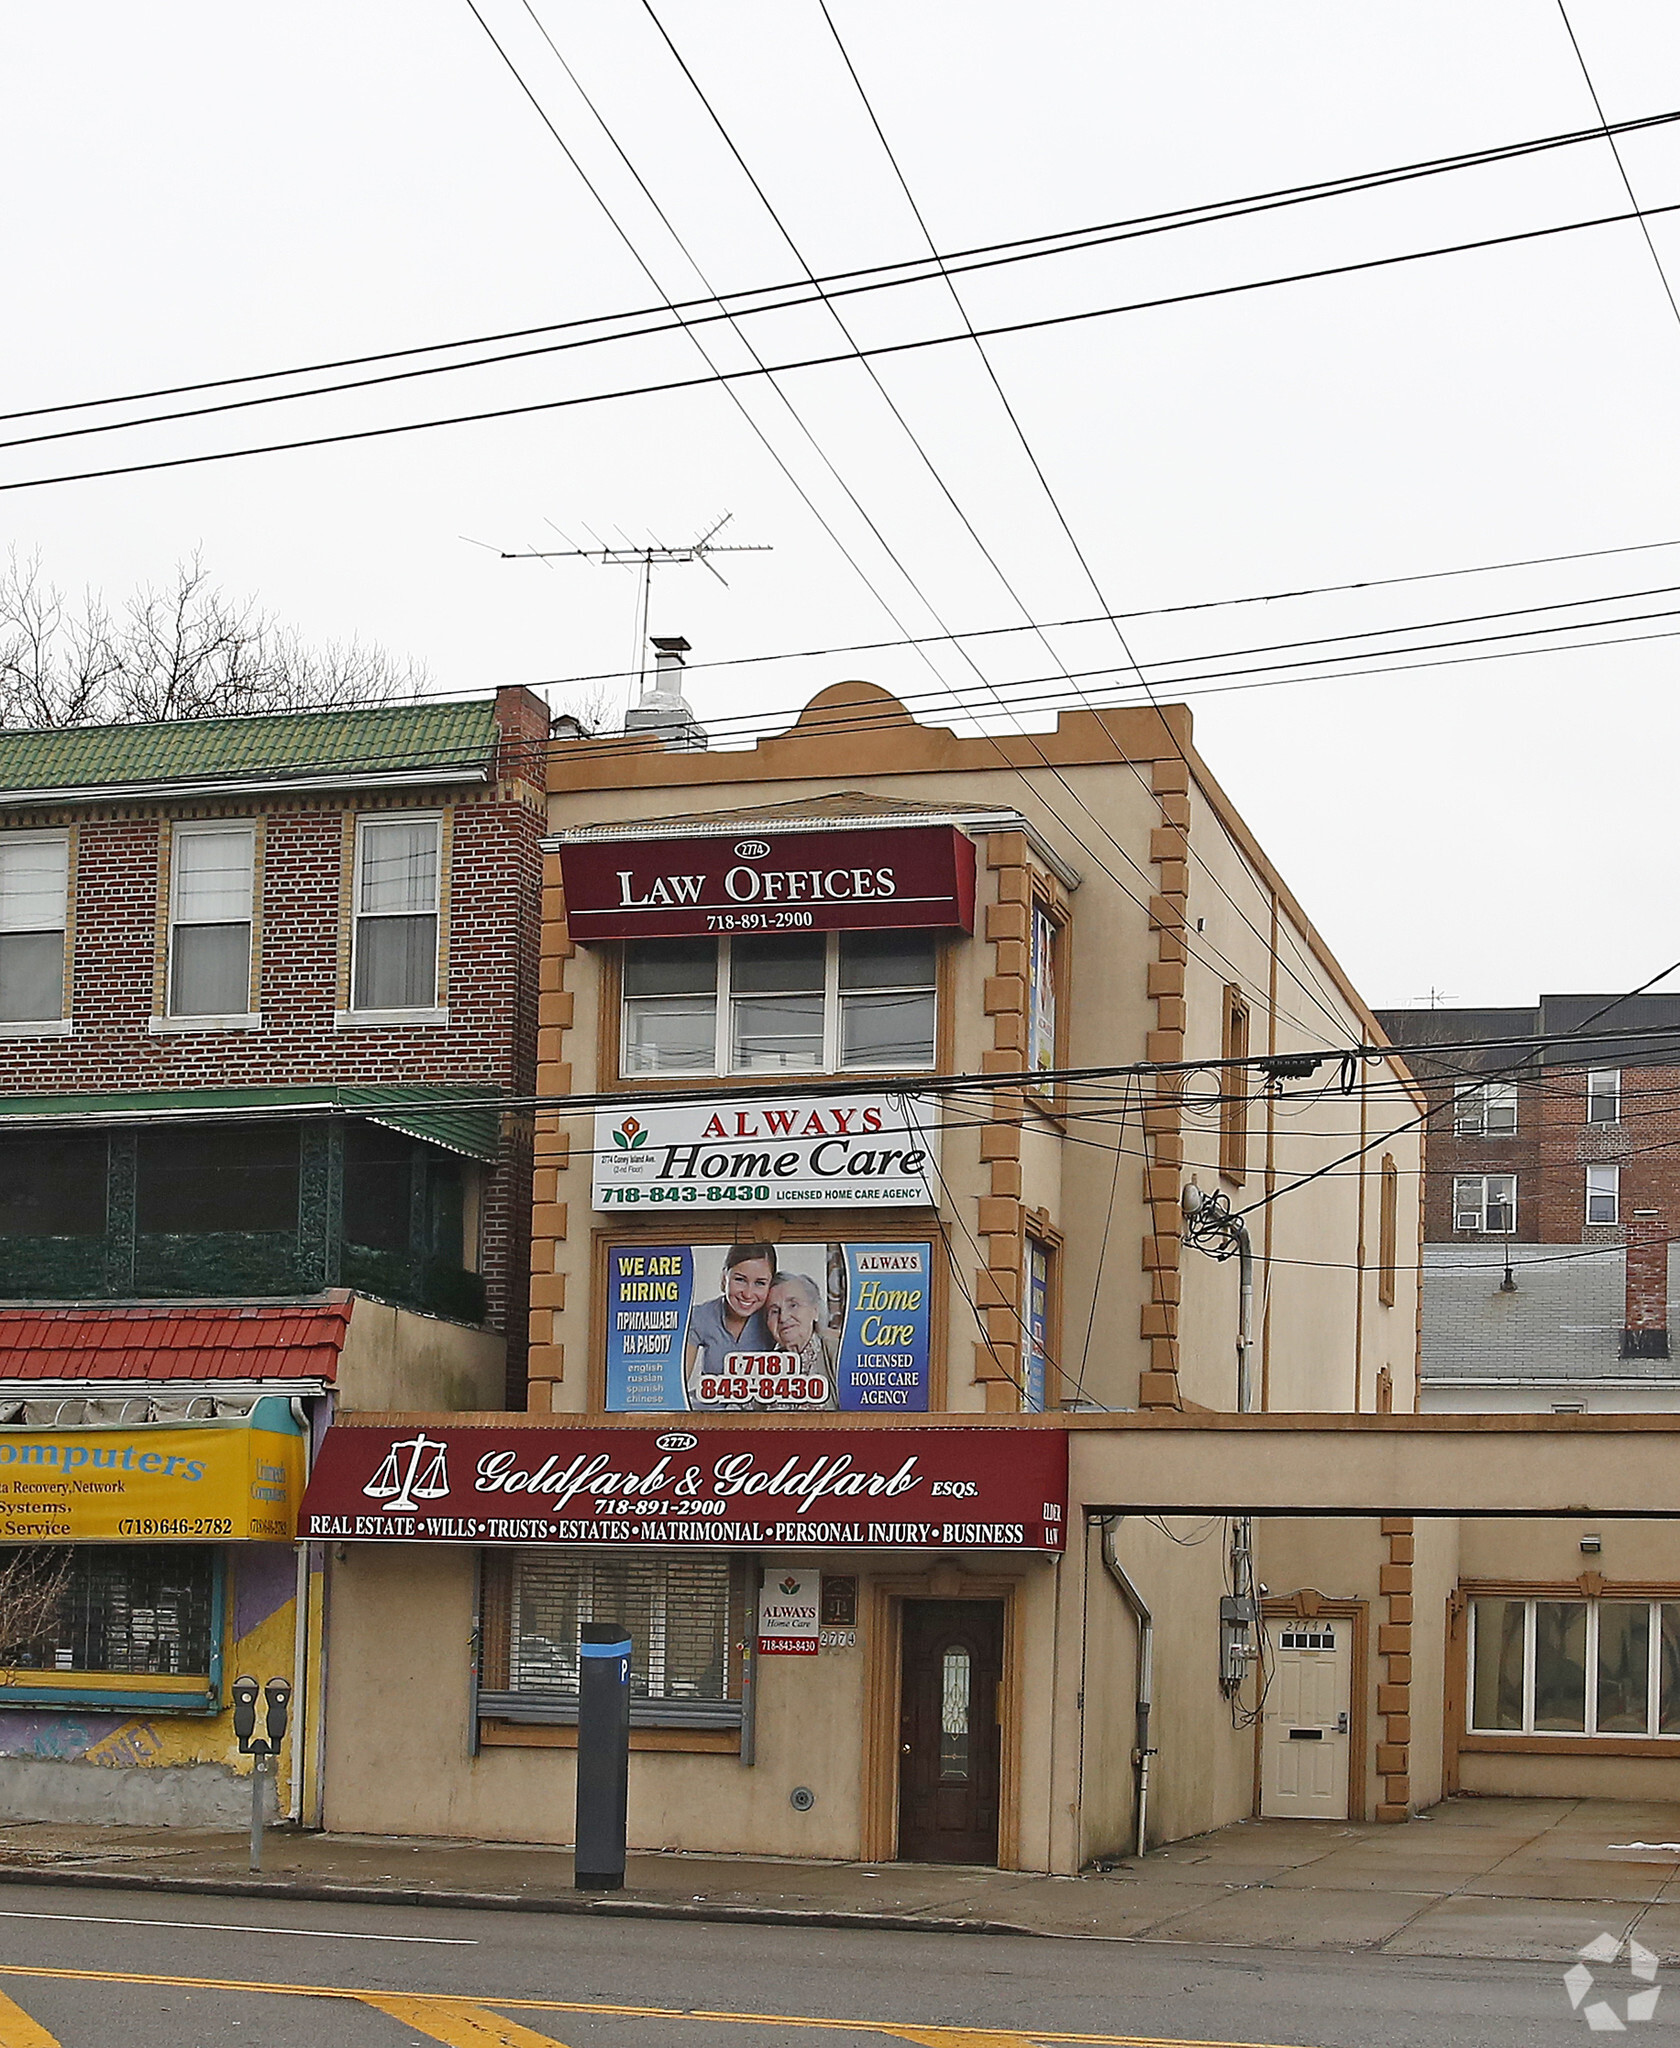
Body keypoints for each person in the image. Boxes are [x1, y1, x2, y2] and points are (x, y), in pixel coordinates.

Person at [684, 1243, 775, 1403]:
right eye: (740, 1280)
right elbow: (680, 1381)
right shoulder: (701, 1316)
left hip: (758, 1418)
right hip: (710, 1414)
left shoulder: (775, 1317)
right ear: (724, 1278)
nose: (748, 1294)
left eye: (760, 1283)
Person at [765, 1269, 838, 1408]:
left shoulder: (838, 1354)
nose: (783, 1317)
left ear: (815, 1310)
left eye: (793, 1305)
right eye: (774, 1311)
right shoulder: (763, 1365)